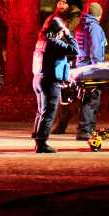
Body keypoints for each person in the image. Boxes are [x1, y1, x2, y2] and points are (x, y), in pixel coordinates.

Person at [31, 12, 79, 153]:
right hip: (50, 81)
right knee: (49, 113)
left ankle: (37, 138)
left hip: (38, 79)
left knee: (41, 111)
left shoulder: (42, 41)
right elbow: (75, 50)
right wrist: (68, 34)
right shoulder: (54, 42)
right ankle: (42, 143)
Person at [73, 2, 107, 140]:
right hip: (91, 68)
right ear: (99, 14)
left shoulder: (81, 26)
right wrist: (99, 68)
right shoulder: (94, 28)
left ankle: (86, 128)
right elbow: (96, 50)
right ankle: (86, 130)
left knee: (86, 99)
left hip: (81, 65)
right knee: (92, 100)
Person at [51, 3, 82, 134]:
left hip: (73, 63)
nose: (61, 4)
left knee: (72, 95)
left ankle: (71, 123)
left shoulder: (76, 24)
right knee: (63, 94)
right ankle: (61, 123)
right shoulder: (61, 23)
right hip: (64, 62)